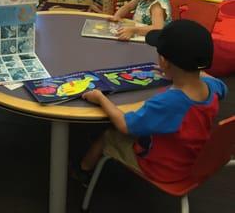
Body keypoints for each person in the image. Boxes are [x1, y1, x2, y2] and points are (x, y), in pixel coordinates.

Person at [74, 19, 227, 185]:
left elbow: (124, 125)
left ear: (164, 61)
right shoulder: (214, 87)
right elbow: (219, 85)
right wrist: (188, 70)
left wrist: (100, 98)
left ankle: (83, 170)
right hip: (194, 158)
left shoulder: (167, 103)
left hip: (165, 169)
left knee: (108, 134)